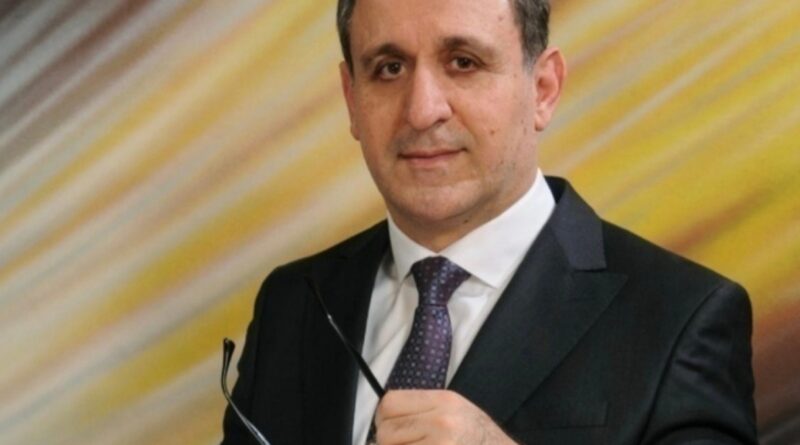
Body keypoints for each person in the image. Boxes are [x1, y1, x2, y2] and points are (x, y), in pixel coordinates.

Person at [222, 0, 757, 443]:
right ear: (352, 99)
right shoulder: (292, 305)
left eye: (463, 62)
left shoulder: (680, 319)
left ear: (543, 88)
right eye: (389, 68)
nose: (422, 110)